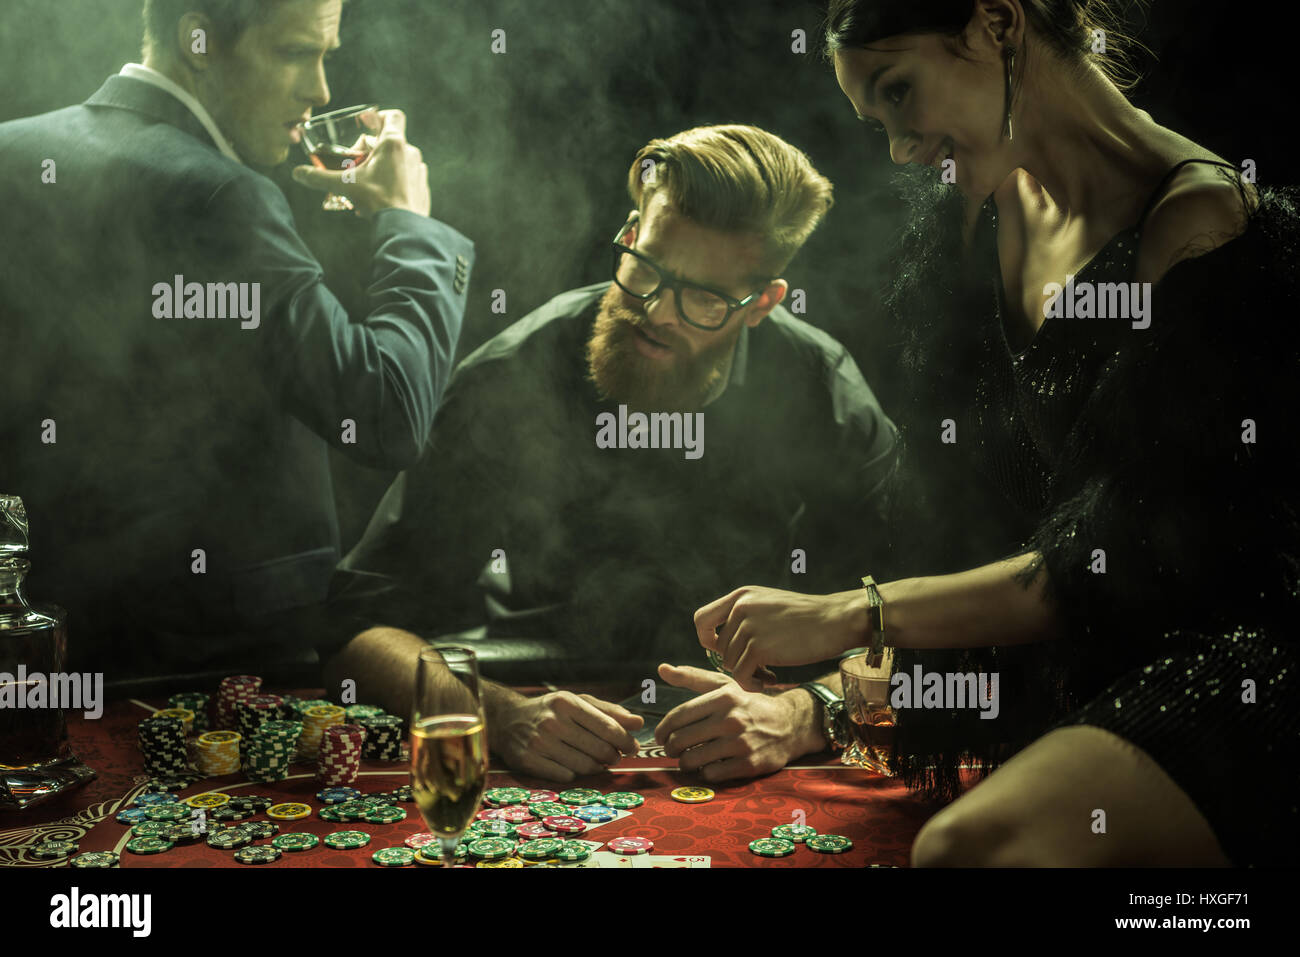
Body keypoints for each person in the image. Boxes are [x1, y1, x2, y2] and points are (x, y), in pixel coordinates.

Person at [694, 0, 1299, 866]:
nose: (901, 146)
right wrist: (818, 705)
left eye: (900, 94)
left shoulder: (1200, 226)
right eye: (877, 119)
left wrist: (844, 614)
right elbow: (964, 537)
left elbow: (1101, 569)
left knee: (969, 849)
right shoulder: (974, 212)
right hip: (1056, 680)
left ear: (998, 24)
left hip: (1227, 667)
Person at [322, 124, 901, 784]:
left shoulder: (823, 394)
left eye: (705, 298)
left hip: (767, 762)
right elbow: (356, 632)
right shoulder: (512, 376)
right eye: (646, 268)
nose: (656, 311)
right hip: (544, 754)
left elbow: (910, 627)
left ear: (761, 303)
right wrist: (500, 714)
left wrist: (804, 715)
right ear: (630, 234)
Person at [0, 0, 474, 680]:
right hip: (221, 677)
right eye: (293, 53)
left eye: (326, 56)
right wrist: (409, 222)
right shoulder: (223, 195)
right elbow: (386, 413)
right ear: (197, 40)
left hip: (40, 665)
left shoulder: (10, 151)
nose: (321, 90)